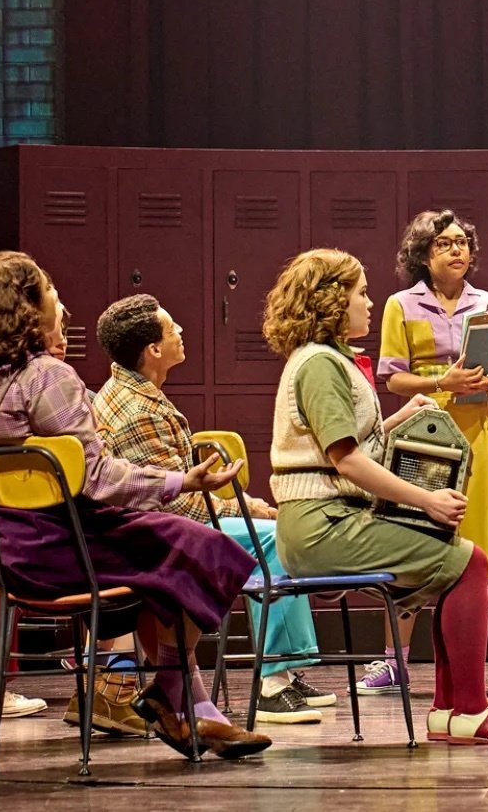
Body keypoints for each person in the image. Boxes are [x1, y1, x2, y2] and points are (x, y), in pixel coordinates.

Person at [0, 251, 269, 760]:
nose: (60, 302)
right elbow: (96, 477)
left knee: (164, 548)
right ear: (24, 308)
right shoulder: (48, 377)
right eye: (49, 291)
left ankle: (193, 706)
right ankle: (172, 692)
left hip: (0, 550)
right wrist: (183, 480)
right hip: (60, 547)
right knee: (202, 548)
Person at [263, 249, 488, 744]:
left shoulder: (328, 360)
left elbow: (352, 445)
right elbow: (346, 461)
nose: (369, 304)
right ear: (331, 300)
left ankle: (447, 710)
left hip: (329, 519)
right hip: (322, 526)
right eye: (360, 293)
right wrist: (424, 499)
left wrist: (396, 418)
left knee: (454, 563)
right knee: (469, 561)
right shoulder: (319, 365)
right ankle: (471, 712)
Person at [93, 293, 334, 726]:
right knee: (276, 539)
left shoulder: (133, 390)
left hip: (168, 519)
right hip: (160, 530)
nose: (182, 332)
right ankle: (272, 684)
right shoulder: (137, 409)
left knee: (271, 531)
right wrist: (248, 508)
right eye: (172, 329)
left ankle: (283, 669)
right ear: (152, 349)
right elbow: (179, 503)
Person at [369, 211, 488, 696]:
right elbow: (391, 377)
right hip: (423, 434)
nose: (456, 250)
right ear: (424, 256)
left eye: (461, 243)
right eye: (443, 244)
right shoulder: (400, 305)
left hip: (479, 437)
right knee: (412, 544)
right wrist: (440, 381)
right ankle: (395, 661)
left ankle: (465, 662)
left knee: (475, 551)